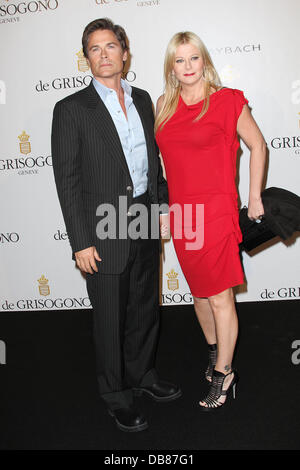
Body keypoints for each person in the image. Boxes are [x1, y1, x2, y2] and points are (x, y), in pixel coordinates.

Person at [51, 18, 181, 432]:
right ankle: (115, 394)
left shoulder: (144, 99)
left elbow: (153, 164)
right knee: (109, 315)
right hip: (102, 225)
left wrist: (160, 208)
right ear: (85, 57)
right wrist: (81, 241)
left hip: (143, 214)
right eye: (95, 48)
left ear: (125, 53)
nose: (104, 55)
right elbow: (67, 181)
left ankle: (143, 377)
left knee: (145, 306)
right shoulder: (71, 109)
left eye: (111, 46)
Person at [156, 32, 266, 410]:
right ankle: (215, 351)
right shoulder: (164, 106)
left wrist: (253, 197)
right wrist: (165, 209)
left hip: (216, 212)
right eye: (179, 60)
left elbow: (258, 145)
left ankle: (225, 373)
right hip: (184, 214)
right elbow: (164, 167)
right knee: (199, 295)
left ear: (204, 61)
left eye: (193, 58)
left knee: (219, 297)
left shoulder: (227, 100)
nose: (187, 67)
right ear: (171, 66)